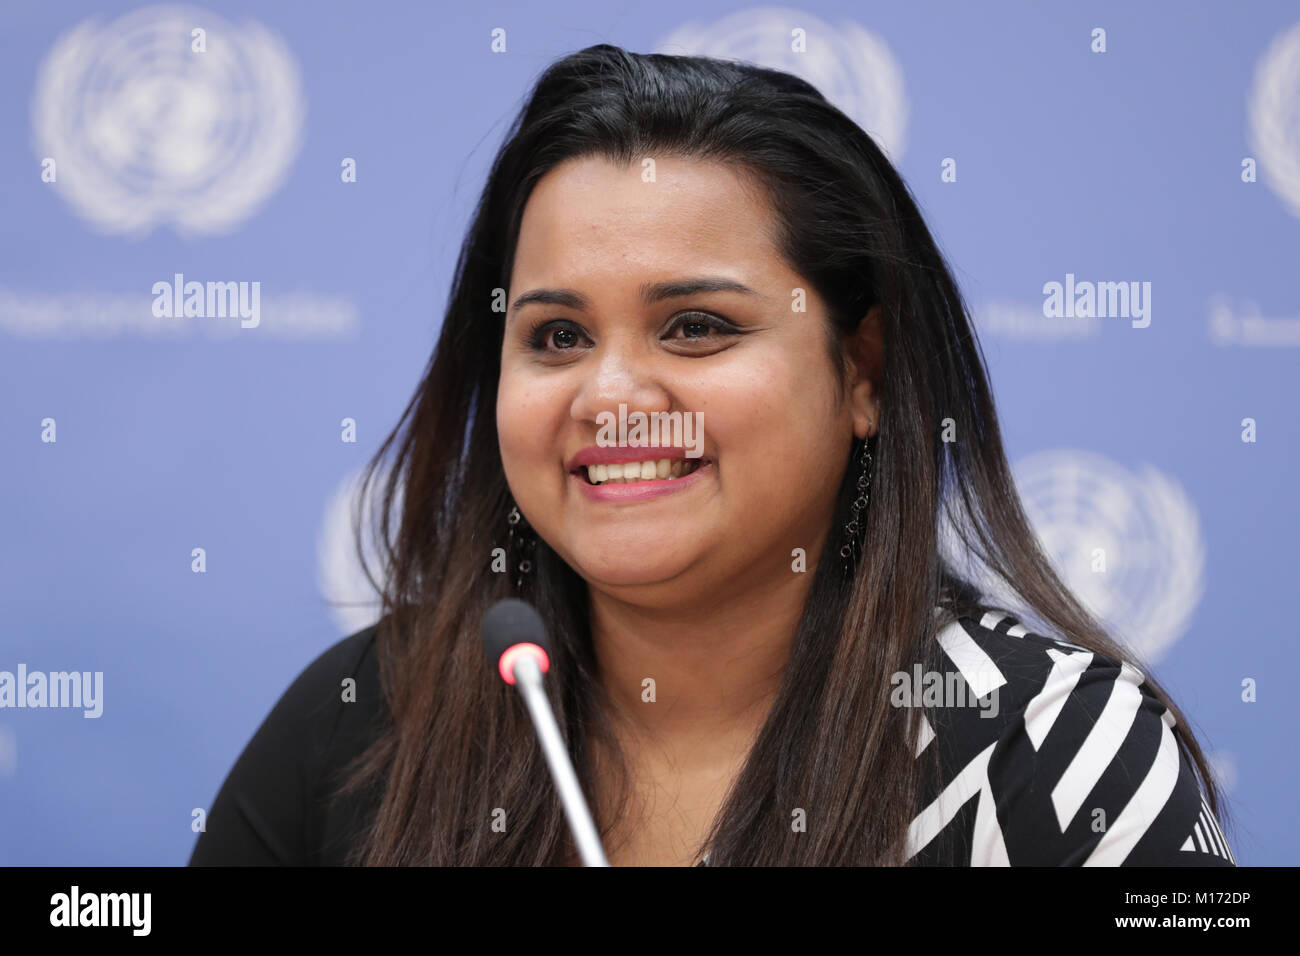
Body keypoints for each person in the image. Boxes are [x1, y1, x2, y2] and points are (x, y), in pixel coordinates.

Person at [190, 44, 1234, 867]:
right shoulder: (371, 712)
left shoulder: (1053, 749)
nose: (611, 396)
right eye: (556, 336)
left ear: (860, 370)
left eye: (694, 326)